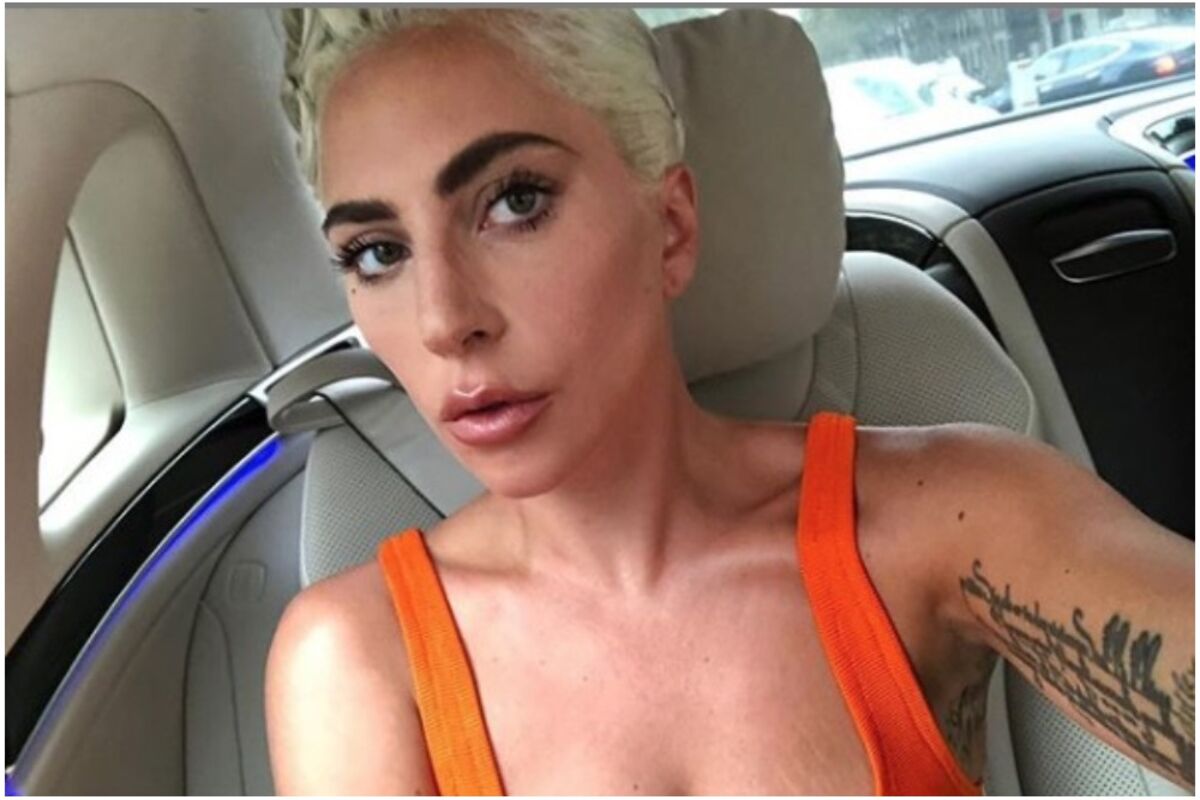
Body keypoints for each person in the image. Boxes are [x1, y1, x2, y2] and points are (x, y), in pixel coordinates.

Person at [264, 8, 1194, 795]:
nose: (444, 320)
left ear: (670, 229)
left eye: (514, 203)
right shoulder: (356, 662)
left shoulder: (950, 515)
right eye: (377, 253)